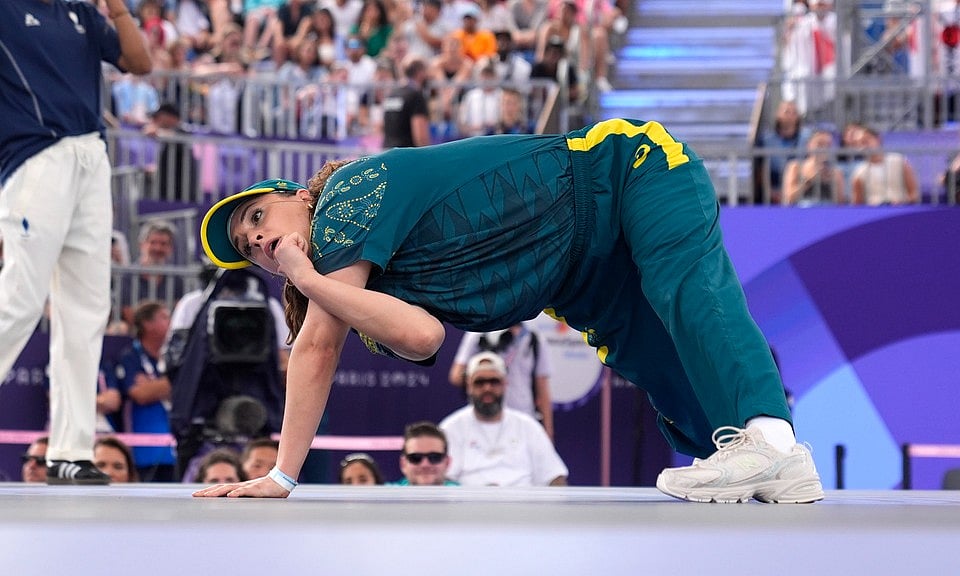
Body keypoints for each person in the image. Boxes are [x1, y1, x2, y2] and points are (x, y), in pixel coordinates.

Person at [193, 117, 825, 504]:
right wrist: (313, 281)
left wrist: (281, 477)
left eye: (256, 218)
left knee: (684, 290)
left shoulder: (347, 193)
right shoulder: (352, 289)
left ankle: (769, 436)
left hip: (620, 173)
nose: (257, 241)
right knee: (664, 371)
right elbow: (420, 337)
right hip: (581, 279)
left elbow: (318, 347)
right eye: (250, 250)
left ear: (298, 196)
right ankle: (769, 464)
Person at [0, 0, 152, 485]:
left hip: (91, 153)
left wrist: (120, 12)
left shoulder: (82, 14)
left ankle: (69, 450)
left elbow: (140, 63)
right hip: (34, 157)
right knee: (20, 301)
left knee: (86, 310)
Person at [441, 352, 568, 486]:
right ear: (468, 386)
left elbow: (554, 476)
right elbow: (444, 479)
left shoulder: (528, 426)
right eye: (480, 382)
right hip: (469, 504)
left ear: (505, 383)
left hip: (523, 504)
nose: (487, 388)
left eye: (494, 381)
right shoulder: (451, 428)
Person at [449, 323, 555, 439]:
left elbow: (543, 389)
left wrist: (548, 431)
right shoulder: (479, 332)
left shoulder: (534, 339)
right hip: (485, 416)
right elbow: (456, 376)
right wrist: (483, 369)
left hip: (523, 416)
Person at [113, 301, 178, 482]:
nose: (170, 322)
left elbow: (185, 389)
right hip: (145, 449)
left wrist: (153, 386)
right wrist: (172, 383)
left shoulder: (174, 355)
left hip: (175, 447)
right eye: (164, 317)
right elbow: (140, 395)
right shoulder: (131, 356)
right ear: (147, 324)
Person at [851, 127, 920, 205]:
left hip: (901, 212)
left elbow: (914, 194)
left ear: (878, 139)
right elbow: (857, 205)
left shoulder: (900, 161)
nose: (864, 146)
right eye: (859, 144)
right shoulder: (859, 172)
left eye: (866, 141)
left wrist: (902, 202)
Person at [781, 129, 845, 206]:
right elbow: (789, 198)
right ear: (809, 145)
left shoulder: (836, 172)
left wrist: (832, 181)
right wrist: (809, 180)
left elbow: (840, 203)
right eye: (819, 144)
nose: (823, 148)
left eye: (828, 145)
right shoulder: (795, 167)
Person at [381, 58, 431, 148]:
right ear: (420, 73)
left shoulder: (391, 94)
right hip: (407, 155)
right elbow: (420, 136)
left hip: (388, 151)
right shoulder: (416, 95)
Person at [391, 420, 458, 486]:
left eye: (434, 457)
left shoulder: (465, 495)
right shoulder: (386, 495)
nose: (425, 465)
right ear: (403, 464)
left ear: (447, 463)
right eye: (416, 458)